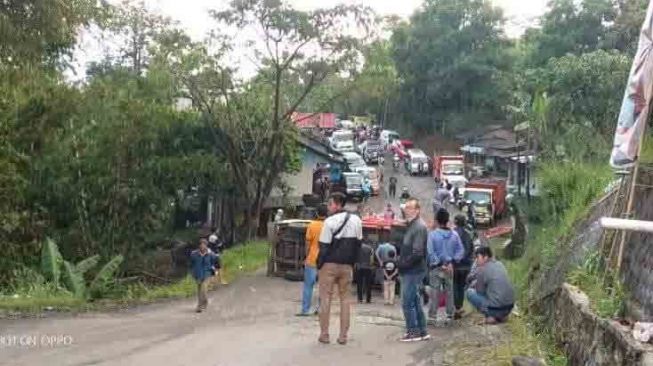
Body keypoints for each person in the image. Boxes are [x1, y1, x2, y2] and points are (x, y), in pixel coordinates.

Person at [317, 192, 363, 345]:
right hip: (347, 266)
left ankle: (324, 334)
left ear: (337, 204)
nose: (328, 208)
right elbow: (358, 245)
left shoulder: (329, 222)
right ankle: (343, 336)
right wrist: (353, 263)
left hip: (329, 265)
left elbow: (323, 247)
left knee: (325, 299)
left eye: (330, 204)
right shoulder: (356, 220)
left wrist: (319, 265)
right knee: (345, 300)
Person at [397, 198, 430, 342]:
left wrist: (403, 264)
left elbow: (418, 252)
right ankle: (422, 331)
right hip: (411, 269)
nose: (406, 210)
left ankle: (413, 331)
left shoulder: (419, 227)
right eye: (406, 207)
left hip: (413, 270)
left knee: (407, 302)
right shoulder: (413, 225)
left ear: (417, 210)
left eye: (410, 208)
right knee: (415, 301)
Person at [426, 209, 464, 324]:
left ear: (437, 220)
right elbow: (461, 251)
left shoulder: (432, 235)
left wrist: (439, 263)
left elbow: (430, 252)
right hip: (450, 268)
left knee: (434, 292)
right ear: (448, 221)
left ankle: (432, 317)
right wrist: (451, 262)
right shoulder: (455, 235)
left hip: (436, 268)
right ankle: (449, 316)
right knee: (449, 292)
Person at [466, 246, 515, 324]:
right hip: (509, 307)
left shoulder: (482, 269)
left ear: (485, 257)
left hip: (495, 308)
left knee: (469, 292)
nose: (476, 260)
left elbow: (480, 292)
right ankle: (502, 316)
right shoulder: (500, 264)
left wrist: (474, 284)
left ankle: (490, 315)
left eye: (478, 257)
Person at [297, 204, 327, 316]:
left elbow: (308, 244)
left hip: (312, 259)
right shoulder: (329, 226)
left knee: (308, 286)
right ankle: (321, 309)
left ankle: (305, 310)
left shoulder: (312, 225)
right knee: (323, 286)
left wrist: (306, 256)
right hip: (325, 261)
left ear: (316, 213)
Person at [453, 214, 474, 319]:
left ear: (455, 222)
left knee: (454, 286)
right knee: (461, 286)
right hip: (465, 266)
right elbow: (471, 250)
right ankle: (460, 307)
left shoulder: (452, 233)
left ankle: (455, 308)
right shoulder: (468, 234)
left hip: (455, 265)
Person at [190, 238, 219, 313]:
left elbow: (216, 262)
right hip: (198, 274)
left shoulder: (211, 254)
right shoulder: (194, 254)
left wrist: (215, 271)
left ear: (206, 246)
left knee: (203, 289)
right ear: (199, 246)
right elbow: (191, 264)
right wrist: (193, 273)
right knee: (199, 291)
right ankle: (200, 305)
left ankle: (202, 305)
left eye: (204, 245)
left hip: (207, 274)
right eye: (201, 245)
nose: (202, 246)